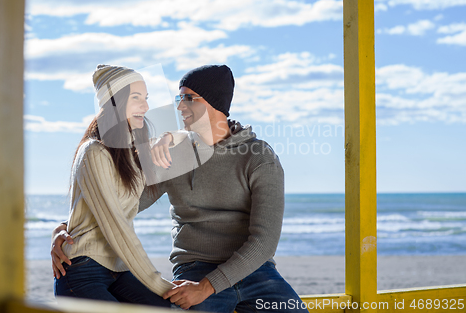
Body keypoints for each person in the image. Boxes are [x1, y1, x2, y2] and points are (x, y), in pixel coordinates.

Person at [52, 65, 309, 313]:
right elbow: (122, 203)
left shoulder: (258, 156)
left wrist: (208, 287)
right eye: (179, 97)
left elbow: (264, 242)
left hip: (255, 272)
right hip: (194, 269)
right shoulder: (175, 155)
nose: (179, 106)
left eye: (188, 98)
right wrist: (66, 227)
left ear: (213, 103)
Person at [52, 64, 175, 307]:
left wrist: (170, 137)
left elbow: (200, 142)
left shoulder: (133, 153)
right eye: (136, 98)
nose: (146, 107)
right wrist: (159, 283)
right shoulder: (93, 152)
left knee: (165, 307)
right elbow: (117, 226)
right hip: (82, 268)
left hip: (118, 268)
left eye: (146, 98)